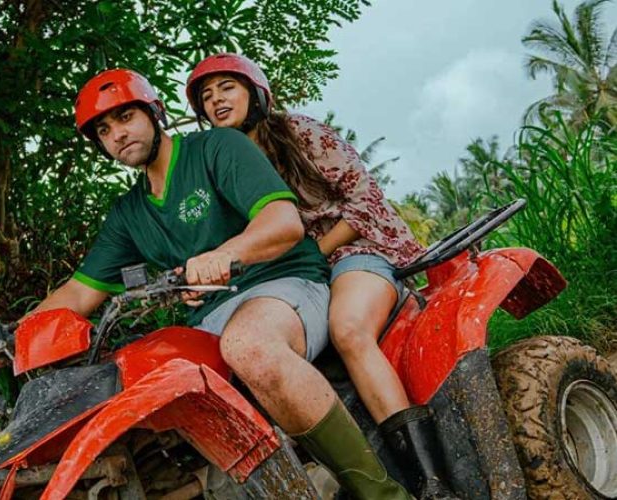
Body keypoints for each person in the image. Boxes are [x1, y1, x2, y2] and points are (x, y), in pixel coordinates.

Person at [33, 68, 411, 499]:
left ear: (154, 114)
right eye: (104, 130)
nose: (117, 134)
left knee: (249, 345)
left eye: (125, 118)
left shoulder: (217, 147)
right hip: (208, 318)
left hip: (282, 285)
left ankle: (385, 495)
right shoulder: (128, 213)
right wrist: (21, 335)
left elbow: (283, 223)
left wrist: (226, 254)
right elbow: (81, 292)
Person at [186, 53, 458, 500]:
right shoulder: (217, 169)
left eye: (226, 89)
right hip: (289, 281)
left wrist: (316, 251)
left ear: (255, 92)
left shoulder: (299, 132)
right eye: (206, 97)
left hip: (352, 252)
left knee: (348, 329)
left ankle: (430, 481)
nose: (216, 101)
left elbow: (363, 199)